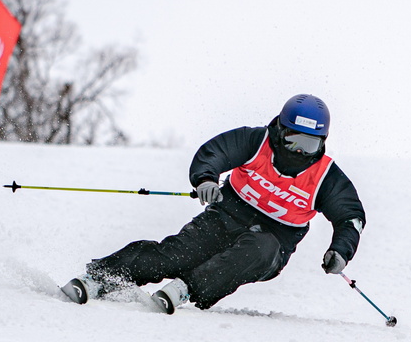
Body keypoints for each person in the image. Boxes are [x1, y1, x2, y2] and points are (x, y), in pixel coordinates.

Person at [60, 94, 366, 314]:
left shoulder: (325, 176)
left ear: (322, 142)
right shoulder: (255, 141)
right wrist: (206, 179)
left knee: (258, 250)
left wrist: (341, 250)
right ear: (280, 131)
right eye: (293, 142)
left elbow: (350, 217)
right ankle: (100, 278)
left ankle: (186, 289)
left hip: (274, 241)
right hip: (225, 217)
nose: (299, 152)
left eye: (309, 145)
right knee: (175, 255)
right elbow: (215, 152)